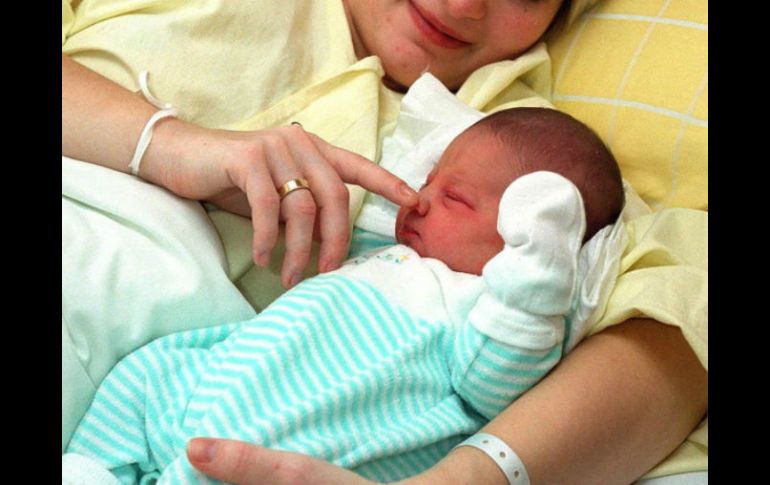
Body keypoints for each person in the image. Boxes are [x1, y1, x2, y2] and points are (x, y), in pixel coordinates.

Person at [62, 1, 707, 484]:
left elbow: (680, 328)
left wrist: (465, 478)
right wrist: (163, 143)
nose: (461, 5)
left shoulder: (540, 159)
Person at [62, 107, 626, 485]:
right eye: (429, 179)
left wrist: (535, 270)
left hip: (292, 440)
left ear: (526, 231)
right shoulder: (387, 254)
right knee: (143, 376)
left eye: (453, 197)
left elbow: (495, 381)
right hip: (218, 379)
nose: (420, 200)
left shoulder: (484, 307)